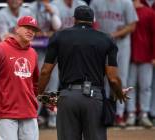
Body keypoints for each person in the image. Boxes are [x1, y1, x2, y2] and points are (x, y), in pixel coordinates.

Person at [38, 5, 130, 140]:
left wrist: (40, 93)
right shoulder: (106, 39)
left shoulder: (59, 36)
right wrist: (119, 93)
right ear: (93, 20)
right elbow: (113, 79)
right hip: (94, 98)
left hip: (67, 96)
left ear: (74, 19)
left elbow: (46, 71)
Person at [90, 0, 138, 127]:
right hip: (100, 45)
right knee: (102, 79)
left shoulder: (126, 3)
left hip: (121, 46)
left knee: (120, 78)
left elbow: (132, 26)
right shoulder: (96, 2)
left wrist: (114, 34)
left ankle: (119, 113)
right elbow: (91, 23)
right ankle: (104, 112)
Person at [29, 0, 61, 128]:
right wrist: (39, 33)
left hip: (51, 50)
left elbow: (57, 27)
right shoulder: (31, 8)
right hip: (34, 50)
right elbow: (28, 28)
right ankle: (33, 116)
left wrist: (52, 14)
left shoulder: (53, 7)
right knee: (36, 84)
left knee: (53, 83)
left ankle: (52, 117)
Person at [125, 0, 155, 128]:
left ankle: (144, 113)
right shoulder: (126, 9)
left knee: (146, 87)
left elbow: (154, 35)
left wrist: (154, 55)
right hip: (129, 55)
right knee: (130, 87)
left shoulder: (149, 12)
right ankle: (131, 113)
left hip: (146, 54)